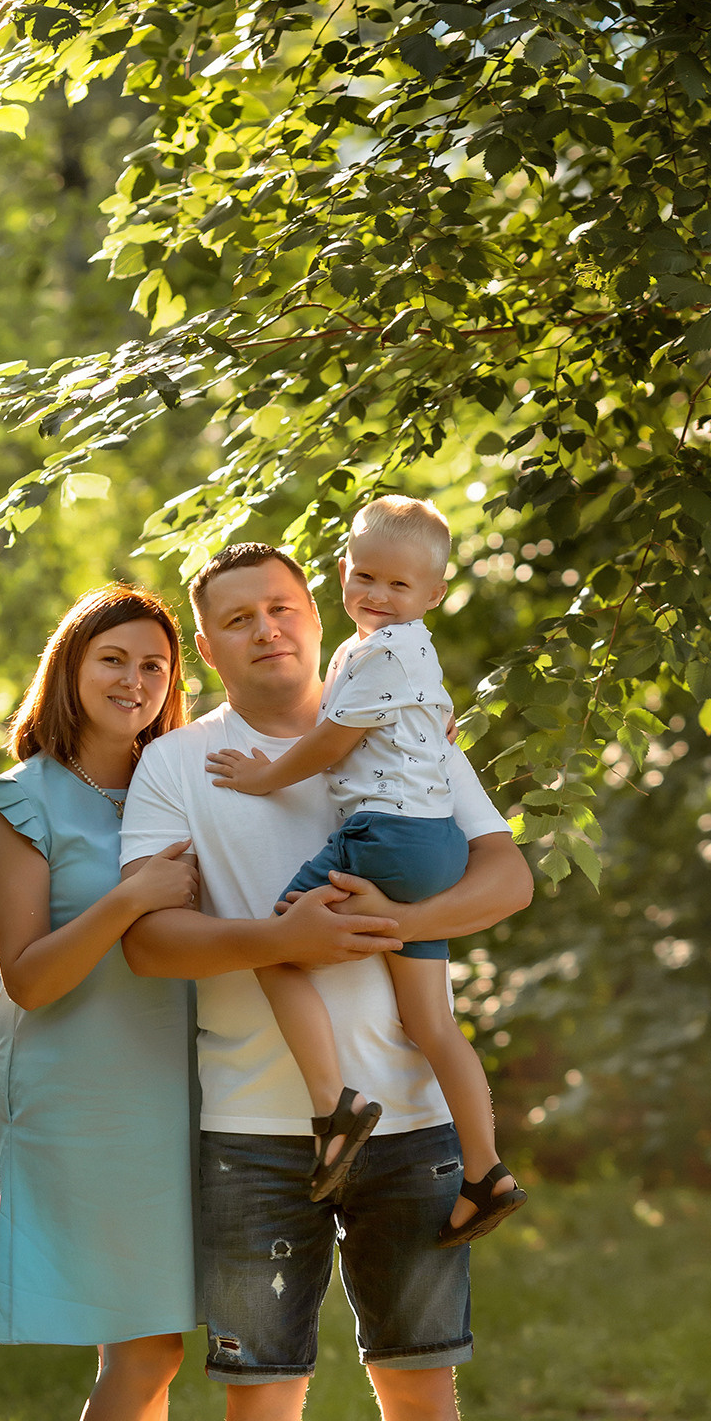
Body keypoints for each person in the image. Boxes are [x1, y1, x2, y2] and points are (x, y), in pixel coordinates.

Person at [118, 542, 533, 1421]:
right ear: (209, 645)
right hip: (253, 1124)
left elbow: (507, 881)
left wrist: (399, 922)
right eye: (238, 619)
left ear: (322, 617)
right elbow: (152, 943)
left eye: (283, 608)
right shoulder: (179, 767)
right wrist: (285, 941)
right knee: (264, 1390)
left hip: (409, 1121)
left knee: (420, 1383)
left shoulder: (403, 728)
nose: (268, 630)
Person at [0, 584, 202, 1421]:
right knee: (143, 1344)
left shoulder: (179, 784)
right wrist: (122, 898)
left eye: (153, 667)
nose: (134, 683)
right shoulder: (26, 799)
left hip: (178, 1082)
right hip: (80, 1091)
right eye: (114, 660)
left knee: (152, 1347)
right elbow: (31, 975)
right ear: (71, 669)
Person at [207, 495, 523, 1243]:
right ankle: (487, 1173)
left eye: (399, 587)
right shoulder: (415, 653)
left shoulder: (377, 651)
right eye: (366, 577)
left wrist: (264, 777)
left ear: (435, 595)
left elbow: (329, 745)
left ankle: (335, 1107)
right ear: (342, 571)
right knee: (432, 1024)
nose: (377, 597)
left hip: (388, 837)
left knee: (277, 945)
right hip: (434, 847)